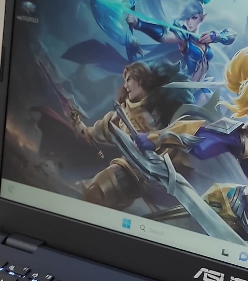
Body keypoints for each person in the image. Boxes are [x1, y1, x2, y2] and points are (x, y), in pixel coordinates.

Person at [140, 47, 248, 256]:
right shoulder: (237, 135)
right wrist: (155, 138)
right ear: (246, 107)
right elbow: (197, 136)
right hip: (246, 221)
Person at [72, 61, 185, 210]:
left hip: (156, 177)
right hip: (127, 171)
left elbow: (177, 140)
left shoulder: (162, 109)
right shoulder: (124, 110)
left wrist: (155, 144)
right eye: (125, 81)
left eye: (129, 80)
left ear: (141, 80)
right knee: (95, 193)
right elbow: (105, 129)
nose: (125, 85)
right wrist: (81, 127)